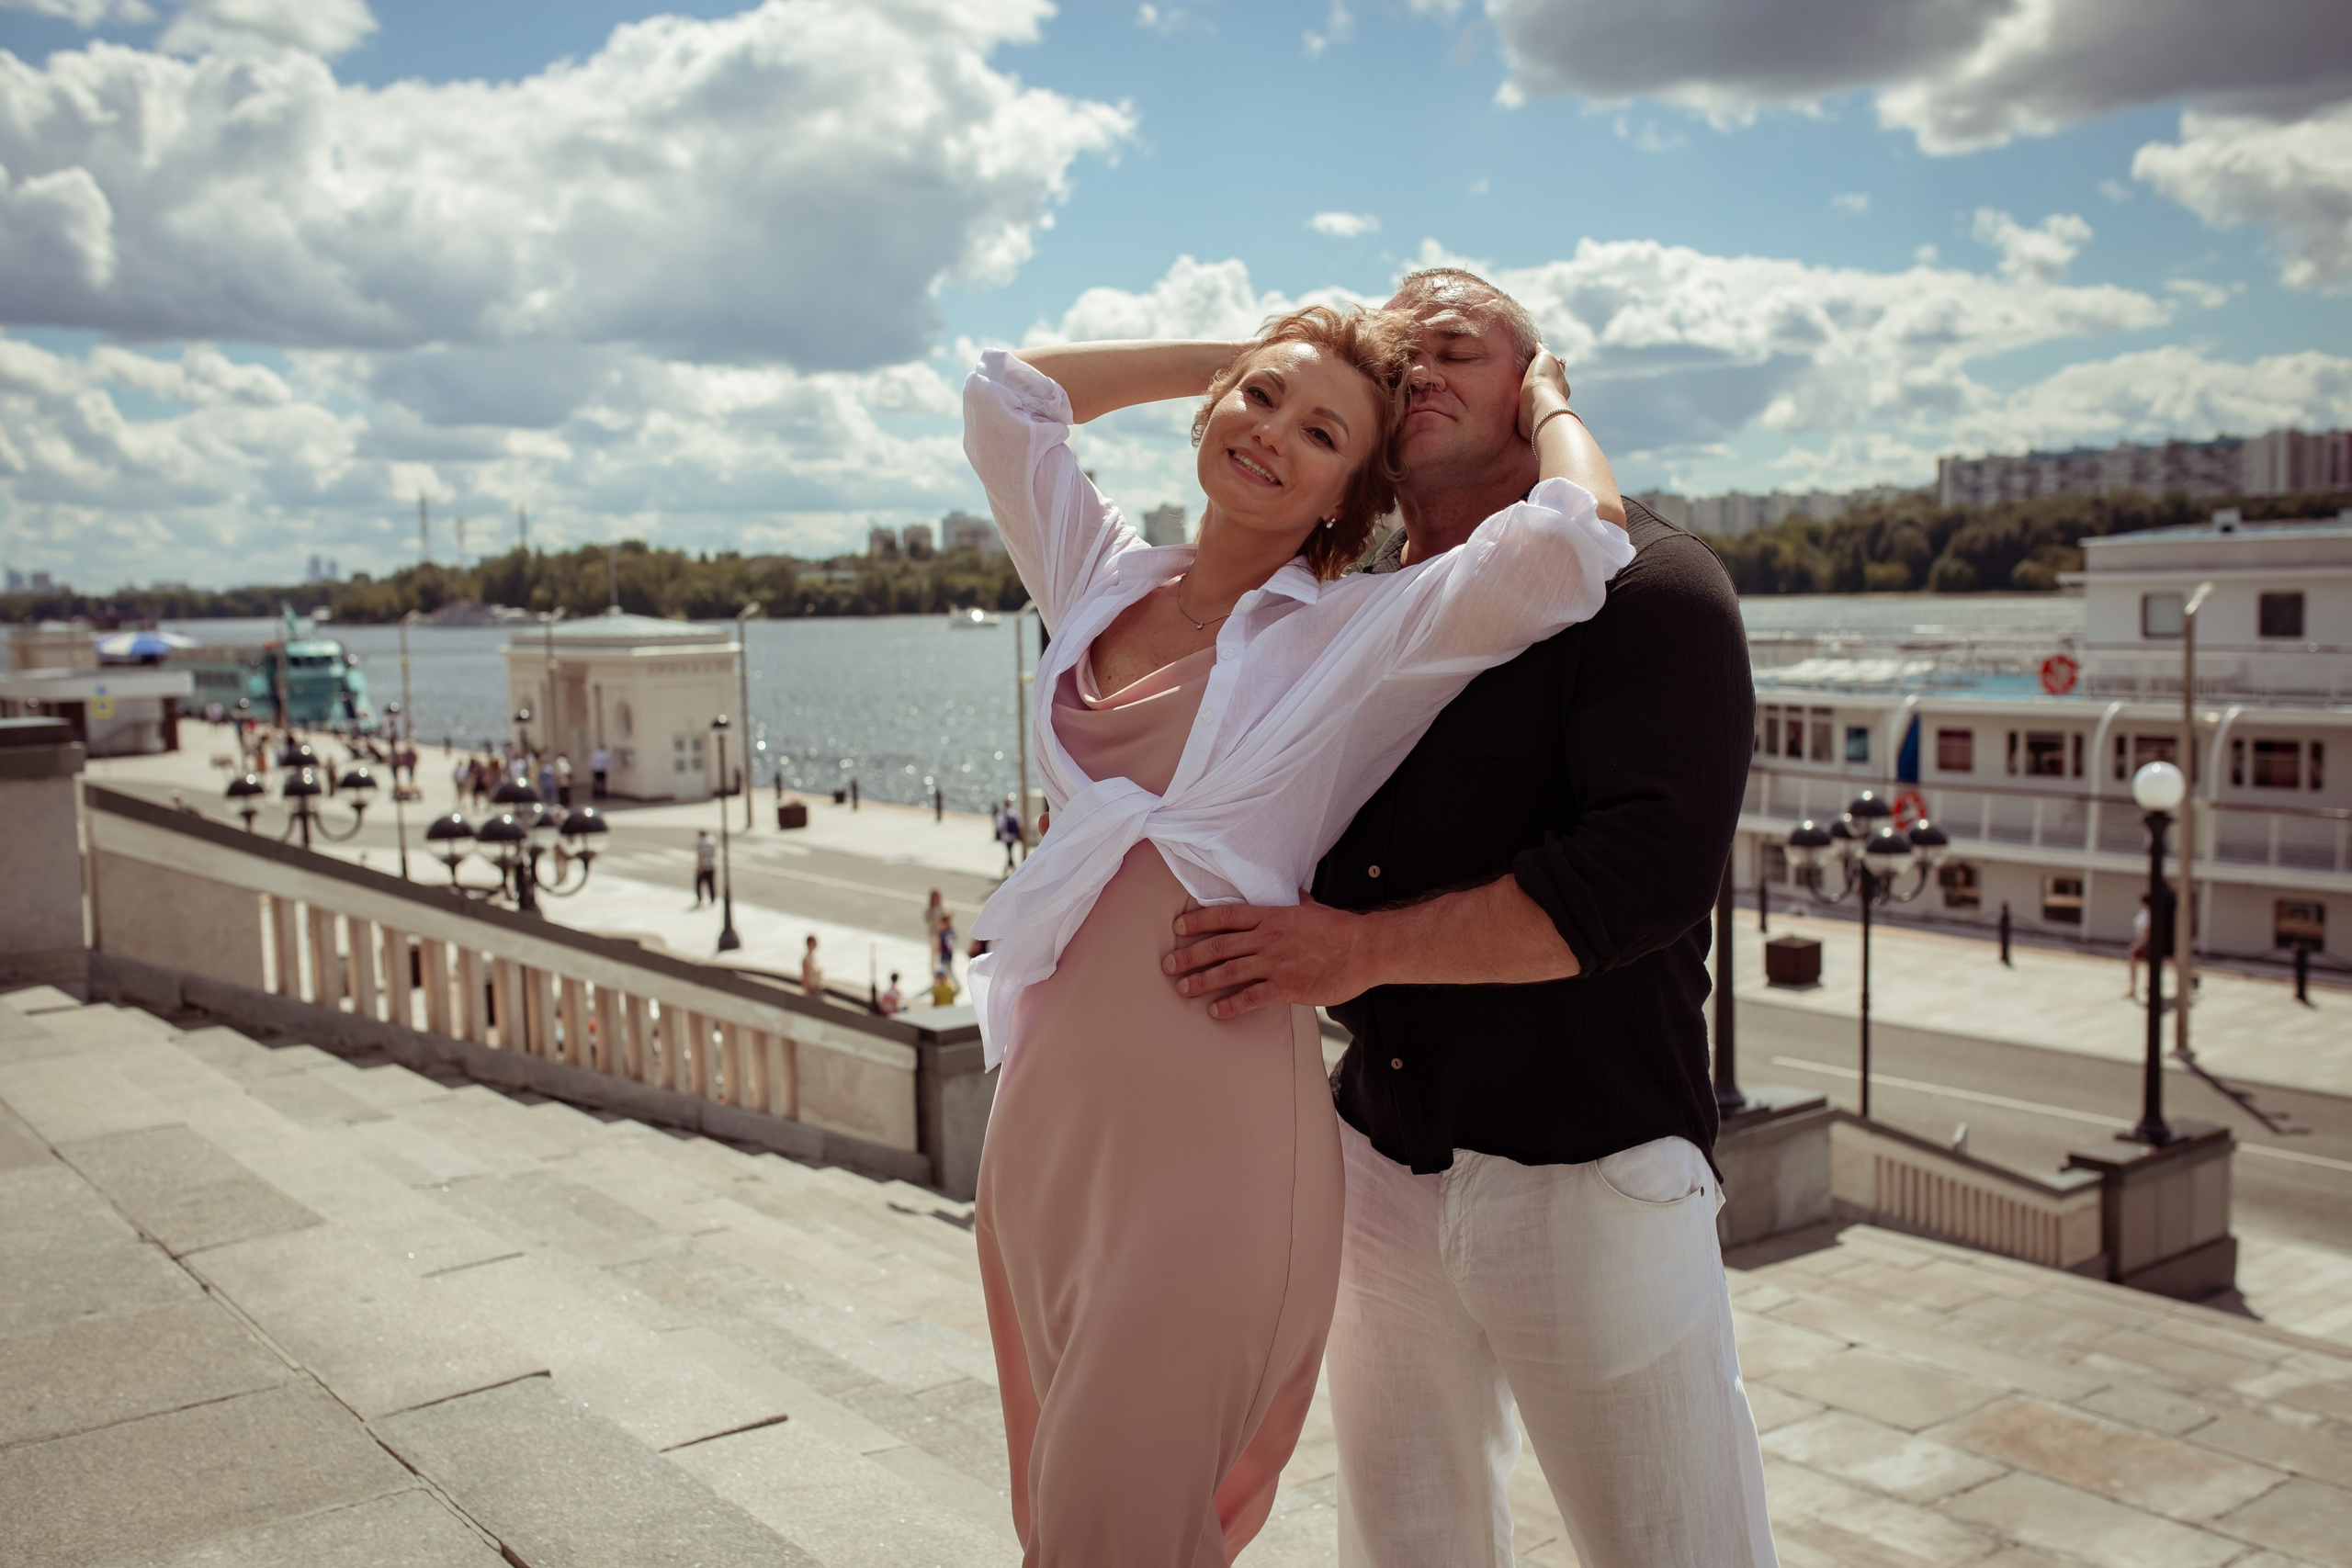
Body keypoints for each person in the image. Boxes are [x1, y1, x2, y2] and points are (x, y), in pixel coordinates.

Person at [963, 302, 1630, 1565]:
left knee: (1120, 1520)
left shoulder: (1351, 636)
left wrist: (1545, 396)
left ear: (1346, 497)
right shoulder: (1102, 577)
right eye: (1259, 398)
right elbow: (1008, 398)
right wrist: (1225, 358)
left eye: (1320, 432)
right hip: (1049, 1118)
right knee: (1057, 1509)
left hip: (1213, 1136)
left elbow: (1571, 546)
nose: (1271, 433)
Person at [1161, 269, 1775, 1566]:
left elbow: (1640, 880)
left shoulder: (1656, 589)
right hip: (1378, 1167)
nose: (1421, 374)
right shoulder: (1358, 607)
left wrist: (1352, 950)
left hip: (1591, 1176)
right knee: (1406, 1544)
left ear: (1534, 390)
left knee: (1679, 1547)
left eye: (1457, 350)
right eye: (1400, 367)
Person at [2128, 892, 2152, 998]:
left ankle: (2145, 989)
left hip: (2146, 943)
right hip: (2141, 941)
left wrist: (2138, 945)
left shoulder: (2150, 914)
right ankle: (2134, 988)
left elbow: (2147, 933)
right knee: (2135, 964)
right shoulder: (2144, 913)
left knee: (2148, 966)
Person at [995, 797, 1023, 873]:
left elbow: (999, 826)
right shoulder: (1014, 813)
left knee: (1009, 851)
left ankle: (1010, 866)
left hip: (1005, 836)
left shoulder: (1001, 814)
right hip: (1013, 835)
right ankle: (1011, 865)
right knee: (1010, 850)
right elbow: (1020, 824)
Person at [693, 829, 718, 906]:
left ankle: (700, 899)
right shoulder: (712, 842)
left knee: (699, 884)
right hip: (711, 866)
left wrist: (699, 867)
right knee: (711, 884)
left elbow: (700, 856)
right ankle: (712, 899)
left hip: (703, 867)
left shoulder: (700, 843)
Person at [799, 933, 823, 999]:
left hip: (818, 988)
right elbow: (805, 977)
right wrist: (807, 993)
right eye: (814, 942)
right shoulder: (806, 959)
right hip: (812, 991)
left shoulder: (815, 957)